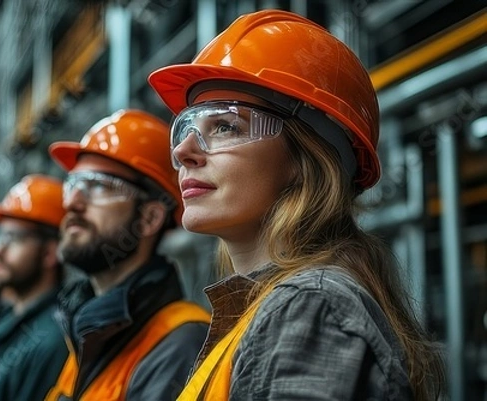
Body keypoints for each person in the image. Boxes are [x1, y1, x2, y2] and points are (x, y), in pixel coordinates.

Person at [148, 9, 445, 401]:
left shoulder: (312, 309)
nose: (185, 151)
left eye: (225, 126)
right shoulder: (271, 311)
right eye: (186, 129)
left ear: (306, 161)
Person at [45, 109, 210, 401]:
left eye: (97, 186)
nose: (72, 203)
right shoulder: (85, 329)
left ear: (149, 218)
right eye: (73, 186)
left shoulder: (180, 341)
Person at [0, 174, 69, 401]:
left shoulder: (52, 341)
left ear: (49, 253)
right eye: (0, 237)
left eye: (13, 238)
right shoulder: (4, 319)